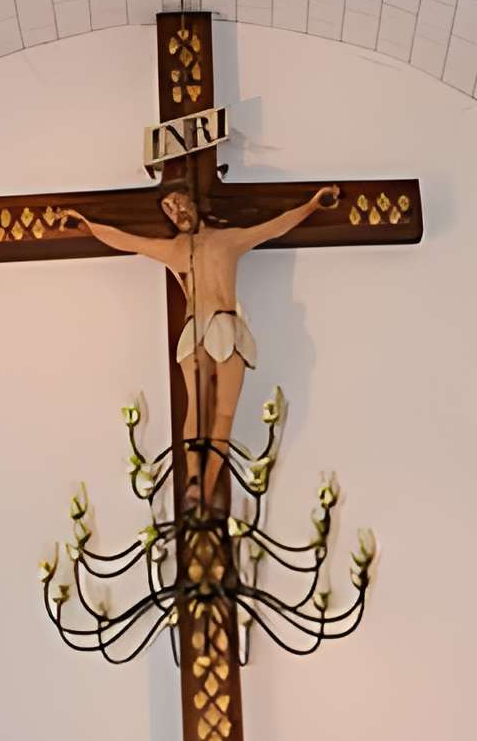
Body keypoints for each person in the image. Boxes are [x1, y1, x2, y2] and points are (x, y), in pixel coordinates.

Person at [54, 181, 340, 501]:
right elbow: (127, 241)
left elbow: (274, 226)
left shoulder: (228, 240)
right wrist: (87, 225)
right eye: (169, 210)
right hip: (205, 327)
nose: (176, 212)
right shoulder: (176, 249)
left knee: (223, 413)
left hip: (221, 327)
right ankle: (194, 479)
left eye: (178, 203)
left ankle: (202, 486)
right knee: (200, 409)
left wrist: (313, 205)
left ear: (193, 204)